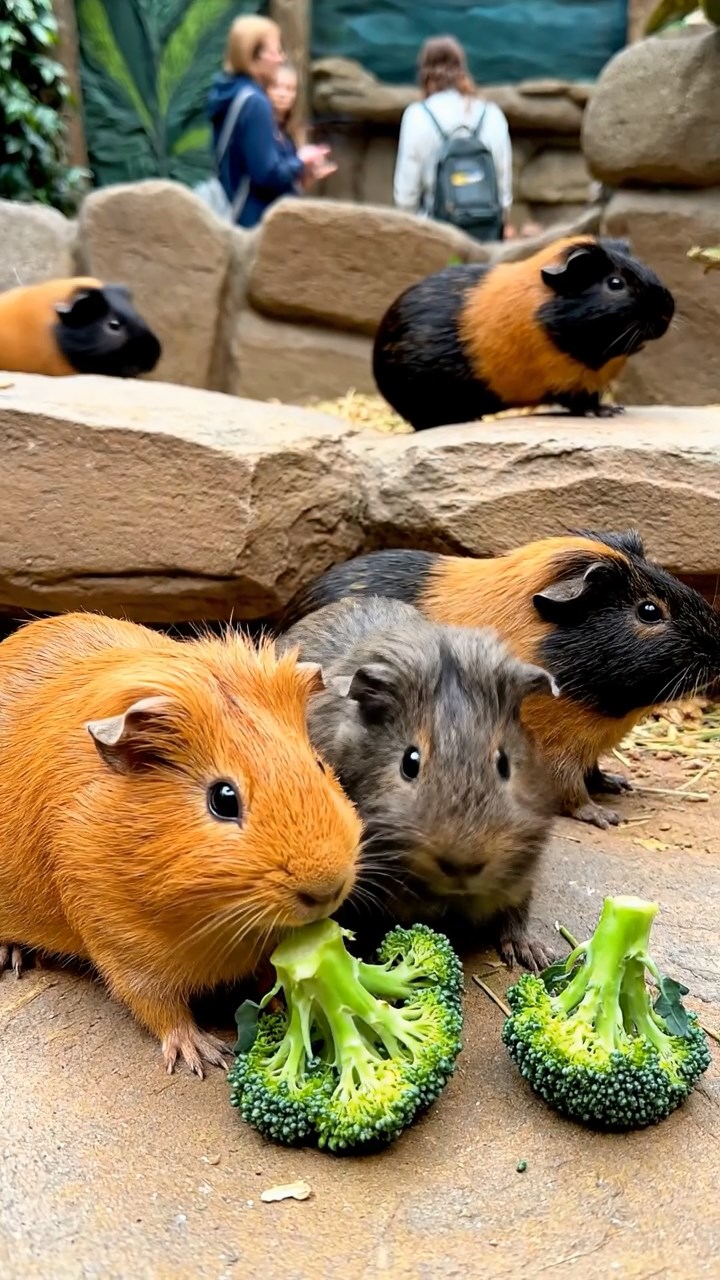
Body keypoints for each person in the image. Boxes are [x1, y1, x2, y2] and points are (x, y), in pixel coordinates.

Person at [207, 16, 334, 228]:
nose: (281, 59)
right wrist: (302, 160)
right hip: (252, 223)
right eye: (276, 51)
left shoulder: (228, 91)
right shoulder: (256, 102)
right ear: (255, 56)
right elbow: (266, 175)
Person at [393, 34, 515, 239]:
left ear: (424, 73)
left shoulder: (417, 116)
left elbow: (405, 199)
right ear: (462, 69)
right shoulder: (492, 114)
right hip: (484, 238)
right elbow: (504, 196)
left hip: (436, 238)